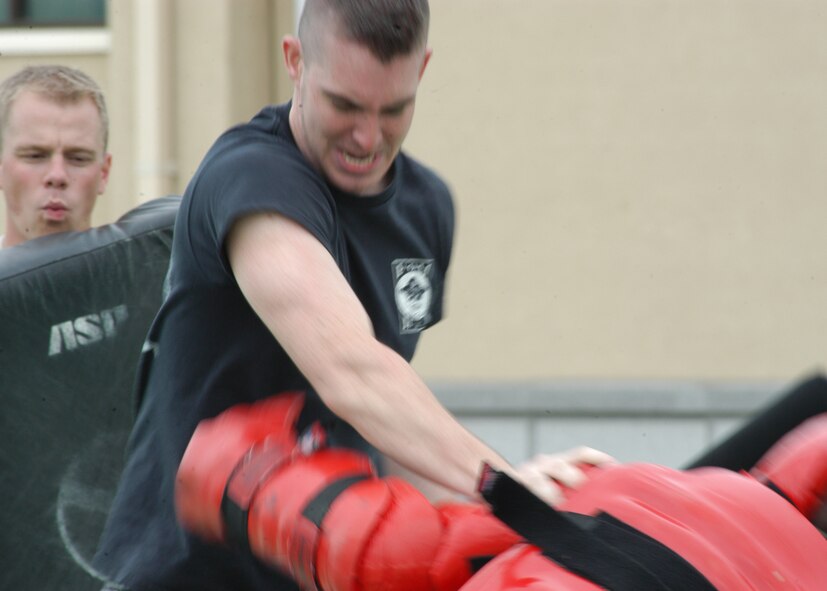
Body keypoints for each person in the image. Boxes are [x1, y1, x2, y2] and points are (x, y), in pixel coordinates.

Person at [94, 1, 610, 589]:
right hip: (185, 578)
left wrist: (514, 519)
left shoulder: (426, 208)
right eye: (344, 105)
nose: (368, 137)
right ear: (295, 62)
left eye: (394, 109)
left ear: (422, 72)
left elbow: (379, 425)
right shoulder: (251, 178)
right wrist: (502, 485)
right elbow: (351, 371)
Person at [0, 64, 111, 248]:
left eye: (78, 158)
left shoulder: (138, 276)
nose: (57, 175)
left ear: (104, 173)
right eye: (35, 156)